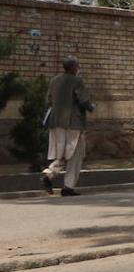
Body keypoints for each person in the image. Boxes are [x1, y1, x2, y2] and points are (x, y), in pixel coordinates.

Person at [41, 56, 94, 197]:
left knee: (62, 154)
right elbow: (83, 100)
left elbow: (49, 100)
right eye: (77, 66)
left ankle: (49, 174)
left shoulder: (54, 80)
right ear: (73, 68)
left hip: (56, 123)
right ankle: (68, 187)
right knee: (75, 155)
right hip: (73, 124)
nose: (79, 68)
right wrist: (91, 107)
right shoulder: (77, 81)